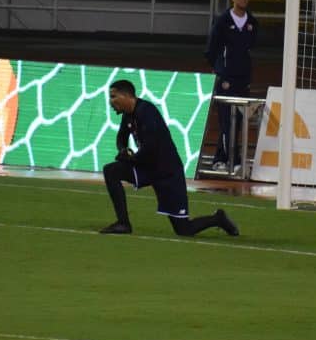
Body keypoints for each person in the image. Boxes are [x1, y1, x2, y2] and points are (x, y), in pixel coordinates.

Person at [100, 79, 239, 237]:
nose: (111, 102)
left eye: (113, 97)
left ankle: (218, 218)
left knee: (184, 229)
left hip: (167, 172)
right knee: (111, 171)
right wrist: (123, 150)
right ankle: (123, 223)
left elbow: (151, 147)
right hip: (147, 166)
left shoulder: (147, 112)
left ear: (126, 96)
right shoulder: (128, 115)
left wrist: (130, 159)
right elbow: (121, 137)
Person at [204, 0, 258, 174]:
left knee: (239, 121)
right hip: (226, 77)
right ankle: (233, 161)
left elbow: (250, 47)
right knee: (226, 120)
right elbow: (211, 48)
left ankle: (220, 158)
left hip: (243, 78)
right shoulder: (223, 21)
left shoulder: (252, 22)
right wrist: (219, 70)